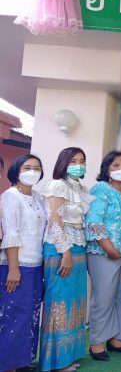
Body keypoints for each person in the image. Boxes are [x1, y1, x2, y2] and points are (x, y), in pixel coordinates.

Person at [85, 151, 121, 361]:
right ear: (106, 169)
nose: (120, 169)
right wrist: (109, 248)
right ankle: (97, 343)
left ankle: (118, 339)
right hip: (103, 251)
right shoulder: (100, 189)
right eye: (115, 165)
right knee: (104, 297)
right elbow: (94, 221)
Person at [40, 147, 90, 372]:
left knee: (74, 300)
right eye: (73, 161)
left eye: (82, 161)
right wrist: (65, 253)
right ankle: (55, 362)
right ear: (63, 163)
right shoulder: (57, 185)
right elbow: (54, 220)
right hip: (61, 249)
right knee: (59, 301)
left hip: (79, 247)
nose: (78, 165)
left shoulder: (81, 188)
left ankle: (70, 356)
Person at [0, 154, 46, 371]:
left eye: (37, 168)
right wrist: (13, 269)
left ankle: (22, 361)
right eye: (27, 167)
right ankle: (7, 364)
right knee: (13, 316)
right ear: (16, 171)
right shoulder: (10, 196)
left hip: (36, 266)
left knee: (30, 315)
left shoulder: (38, 197)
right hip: (16, 266)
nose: (32, 172)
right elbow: (11, 233)